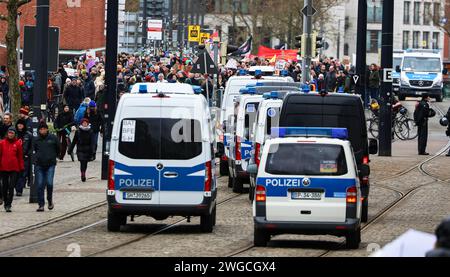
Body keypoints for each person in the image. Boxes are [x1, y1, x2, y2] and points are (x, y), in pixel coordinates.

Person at [33, 121, 60, 212]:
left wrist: (54, 157)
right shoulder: (36, 139)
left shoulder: (53, 138)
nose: (43, 131)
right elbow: (34, 150)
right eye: (41, 129)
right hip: (39, 165)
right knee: (40, 185)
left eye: (44, 129)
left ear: (47, 129)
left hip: (50, 164)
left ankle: (49, 200)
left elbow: (58, 149)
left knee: (49, 183)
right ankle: (41, 205)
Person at [0, 128, 24, 212]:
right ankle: (5, 202)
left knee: (11, 187)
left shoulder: (17, 143)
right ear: (7, 134)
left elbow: (20, 156)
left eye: (12, 133)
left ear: (14, 134)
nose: (10, 135)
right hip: (3, 168)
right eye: (9, 133)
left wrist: (21, 167)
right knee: (4, 187)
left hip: (14, 168)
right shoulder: (2, 143)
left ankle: (9, 204)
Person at [68, 118, 94, 182]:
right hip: (80, 149)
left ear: (88, 124)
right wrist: (70, 150)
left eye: (86, 123)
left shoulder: (90, 131)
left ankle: (84, 172)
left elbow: (92, 142)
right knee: (82, 162)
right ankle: (83, 174)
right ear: (81, 123)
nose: (84, 124)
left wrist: (92, 151)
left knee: (85, 163)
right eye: (83, 123)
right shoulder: (78, 131)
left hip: (87, 150)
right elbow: (74, 141)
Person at [15, 119, 32, 196]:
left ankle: (19, 190)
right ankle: (16, 187)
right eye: (18, 124)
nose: (20, 126)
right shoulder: (13, 134)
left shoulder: (28, 135)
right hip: (14, 157)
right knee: (15, 174)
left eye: (21, 124)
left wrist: (27, 154)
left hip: (24, 157)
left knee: (22, 174)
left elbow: (31, 147)